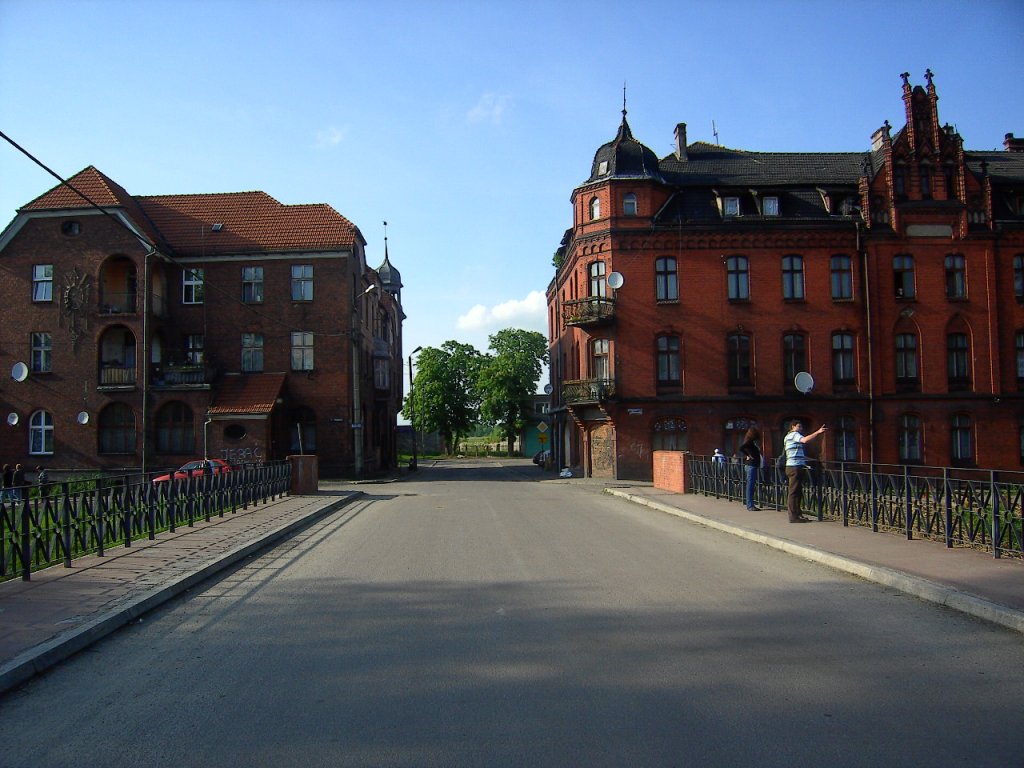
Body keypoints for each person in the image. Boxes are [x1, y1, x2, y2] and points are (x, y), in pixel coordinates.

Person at [784, 420, 827, 522]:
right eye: (799, 426)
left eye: (801, 427)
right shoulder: (794, 435)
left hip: (794, 466)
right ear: (793, 427)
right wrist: (818, 432)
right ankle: (793, 516)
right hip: (794, 467)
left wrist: (810, 460)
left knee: (797, 491)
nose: (801, 429)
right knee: (794, 492)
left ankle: (798, 514)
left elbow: (796, 454)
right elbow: (805, 440)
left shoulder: (789, 437)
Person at [738, 427, 763, 511]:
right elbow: (741, 448)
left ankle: (750, 503)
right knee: (750, 485)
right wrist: (748, 455)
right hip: (751, 465)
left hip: (752, 465)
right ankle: (750, 505)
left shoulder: (751, 442)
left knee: (751, 485)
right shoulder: (749, 442)